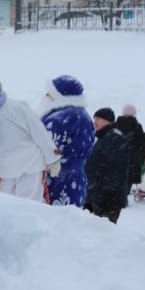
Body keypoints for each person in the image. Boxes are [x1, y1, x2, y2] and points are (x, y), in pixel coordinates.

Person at [0, 66, 60, 202]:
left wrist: (52, 158)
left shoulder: (14, 108)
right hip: (5, 171)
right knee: (7, 208)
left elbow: (38, 131)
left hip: (30, 166)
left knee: (31, 205)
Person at [40, 75, 95, 207]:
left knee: (54, 221)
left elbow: (46, 149)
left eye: (49, 93)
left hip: (57, 179)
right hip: (77, 178)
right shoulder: (83, 115)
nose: (45, 96)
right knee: (70, 220)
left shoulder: (58, 118)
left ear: (58, 95)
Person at [84, 108, 133, 223]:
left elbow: (114, 171)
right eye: (94, 118)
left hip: (107, 198)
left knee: (102, 233)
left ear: (108, 121)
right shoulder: (105, 137)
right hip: (97, 194)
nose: (95, 122)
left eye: (98, 119)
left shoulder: (115, 138)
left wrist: (102, 193)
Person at [115, 104, 145, 197]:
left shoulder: (116, 124)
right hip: (132, 156)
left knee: (118, 174)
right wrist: (143, 153)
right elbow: (142, 142)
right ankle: (125, 193)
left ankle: (120, 193)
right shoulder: (137, 126)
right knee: (129, 175)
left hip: (118, 154)